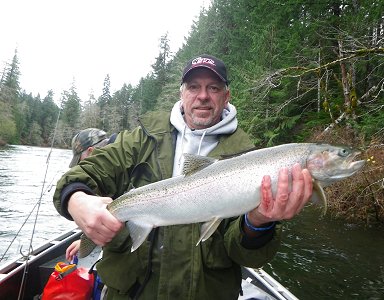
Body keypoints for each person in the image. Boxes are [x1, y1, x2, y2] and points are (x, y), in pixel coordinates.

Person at [53, 54, 313, 300]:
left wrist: (259, 222)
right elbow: (83, 174)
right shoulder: (140, 139)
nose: (203, 96)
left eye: (213, 88)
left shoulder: (249, 157)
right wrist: (77, 201)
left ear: (226, 96)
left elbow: (247, 255)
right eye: (193, 87)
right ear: (182, 93)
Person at [65, 128, 117, 261]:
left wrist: (89, 240)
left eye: (81, 161)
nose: (81, 167)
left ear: (90, 152)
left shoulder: (116, 167)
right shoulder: (117, 156)